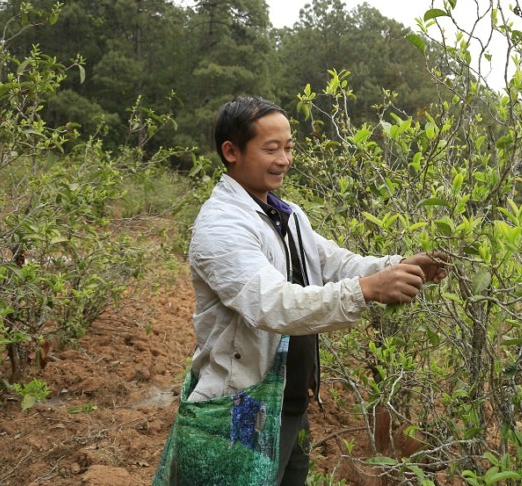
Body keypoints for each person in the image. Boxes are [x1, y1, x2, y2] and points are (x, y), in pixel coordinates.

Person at [153, 96, 447, 486]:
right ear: (231, 152)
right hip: (242, 404)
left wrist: (397, 267)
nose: (284, 159)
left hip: (288, 403)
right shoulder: (221, 226)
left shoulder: (286, 214)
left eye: (289, 148)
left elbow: (335, 263)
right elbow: (273, 305)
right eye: (271, 148)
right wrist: (367, 290)